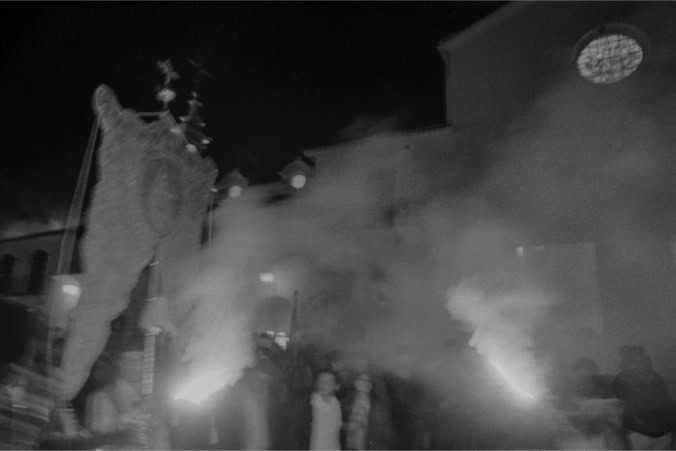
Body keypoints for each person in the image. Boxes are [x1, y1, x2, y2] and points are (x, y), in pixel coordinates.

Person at [612, 346, 675, 450]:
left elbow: (666, 402)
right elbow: (629, 407)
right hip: (639, 433)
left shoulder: (657, 378)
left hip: (663, 432)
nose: (644, 362)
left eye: (645, 359)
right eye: (637, 360)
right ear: (628, 362)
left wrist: (671, 425)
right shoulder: (620, 381)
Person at [561, 357, 624, 450]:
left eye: (588, 378)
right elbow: (568, 427)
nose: (584, 382)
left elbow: (618, 425)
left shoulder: (608, 397)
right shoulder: (569, 401)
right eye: (580, 378)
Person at [310, 369, 342, 450]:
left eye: (328, 382)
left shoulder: (336, 403)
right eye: (320, 381)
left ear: (337, 386)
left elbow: (336, 427)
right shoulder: (312, 401)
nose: (323, 384)